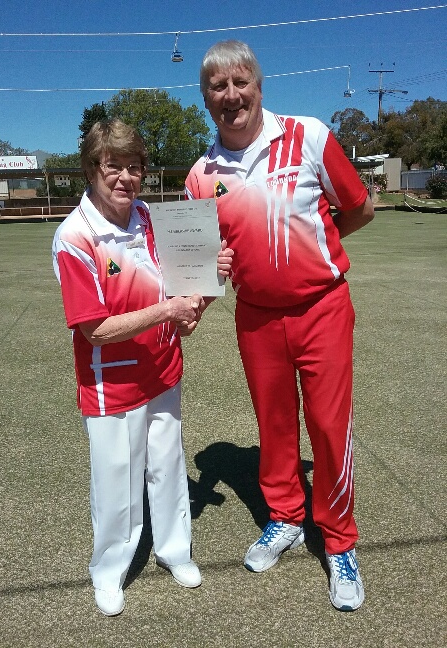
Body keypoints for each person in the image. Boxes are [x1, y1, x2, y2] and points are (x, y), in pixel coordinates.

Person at [185, 40, 374, 612]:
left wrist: (314, 253)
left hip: (322, 309)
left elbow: (359, 208)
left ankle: (339, 542)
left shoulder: (309, 134)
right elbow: (199, 261)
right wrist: (184, 306)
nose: (231, 95)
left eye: (241, 82)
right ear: (206, 99)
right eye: (218, 87)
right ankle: (286, 515)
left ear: (260, 86)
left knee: (327, 424)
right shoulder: (201, 174)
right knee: (274, 425)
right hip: (257, 319)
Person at [52, 118, 232, 616]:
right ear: (93, 169)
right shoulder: (75, 236)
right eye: (114, 166)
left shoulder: (151, 219)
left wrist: (207, 286)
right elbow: (95, 329)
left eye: (135, 167)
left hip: (162, 369)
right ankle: (109, 571)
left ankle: (175, 552)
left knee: (169, 468)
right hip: (111, 383)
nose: (126, 178)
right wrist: (166, 312)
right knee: (117, 479)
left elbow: (181, 296)